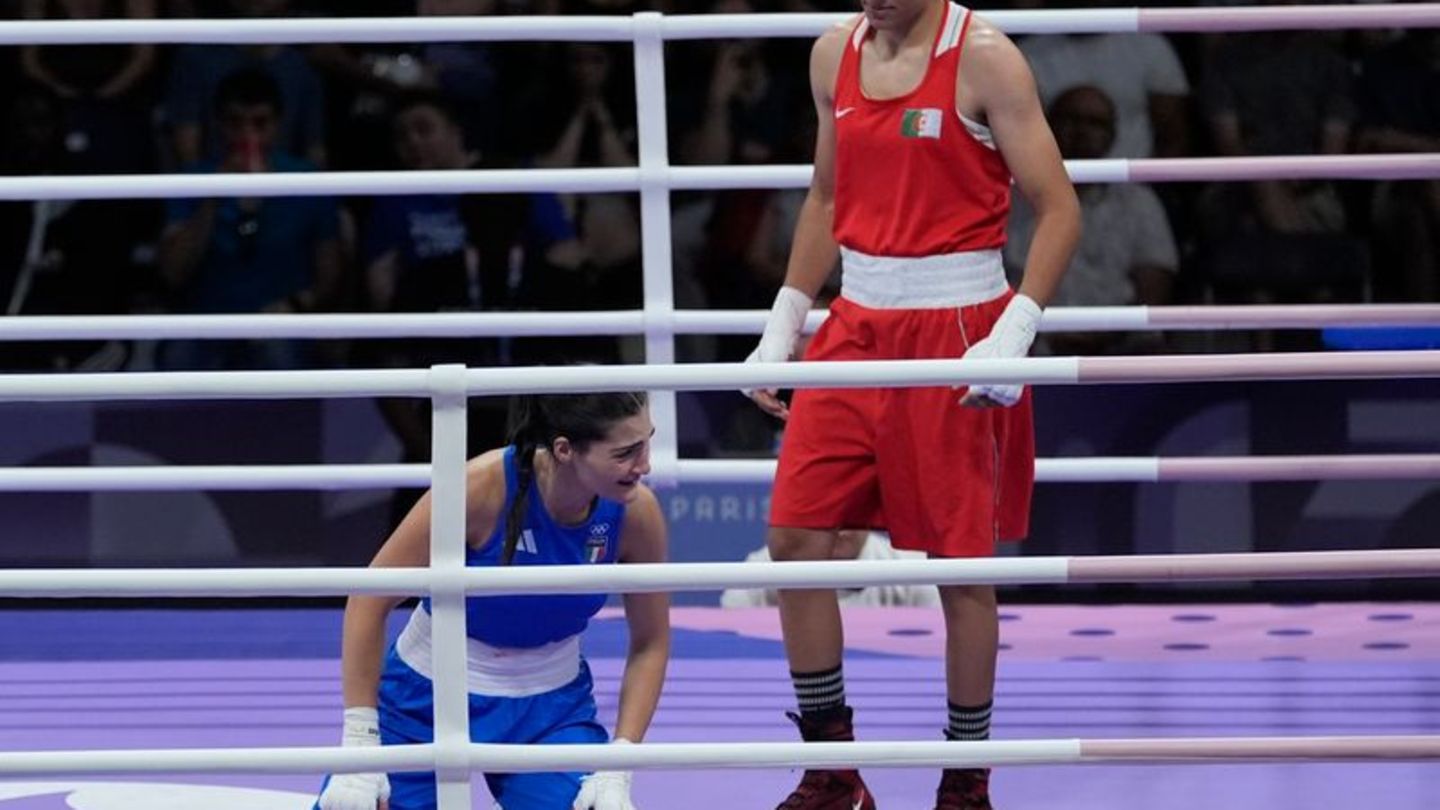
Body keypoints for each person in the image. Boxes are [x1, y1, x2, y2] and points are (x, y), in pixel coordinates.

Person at [744, 1, 1080, 808]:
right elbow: (827, 198)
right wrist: (784, 321)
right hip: (854, 323)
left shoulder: (987, 57)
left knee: (960, 571)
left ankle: (966, 782)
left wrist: (1014, 331)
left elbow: (1060, 206)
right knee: (795, 539)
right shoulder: (835, 54)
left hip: (957, 326)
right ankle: (833, 773)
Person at [315, 391, 670, 810]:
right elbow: (369, 597)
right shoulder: (478, 489)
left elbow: (651, 642)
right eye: (626, 452)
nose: (645, 465)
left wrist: (618, 764)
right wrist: (360, 738)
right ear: (564, 450)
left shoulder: (636, 514)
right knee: (357, 804)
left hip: (551, 712)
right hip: (424, 701)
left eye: (647, 442)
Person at [720, 530, 942, 608]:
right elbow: (733, 608)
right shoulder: (765, 568)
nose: (842, 529)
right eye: (835, 516)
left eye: (852, 515)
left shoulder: (911, 567)